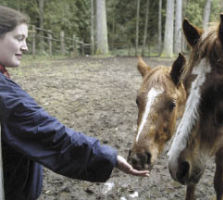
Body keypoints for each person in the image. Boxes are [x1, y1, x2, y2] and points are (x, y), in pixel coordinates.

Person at [0, 5, 149, 200]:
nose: (26, 47)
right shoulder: (4, 95)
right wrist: (108, 157)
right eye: (19, 38)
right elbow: (48, 132)